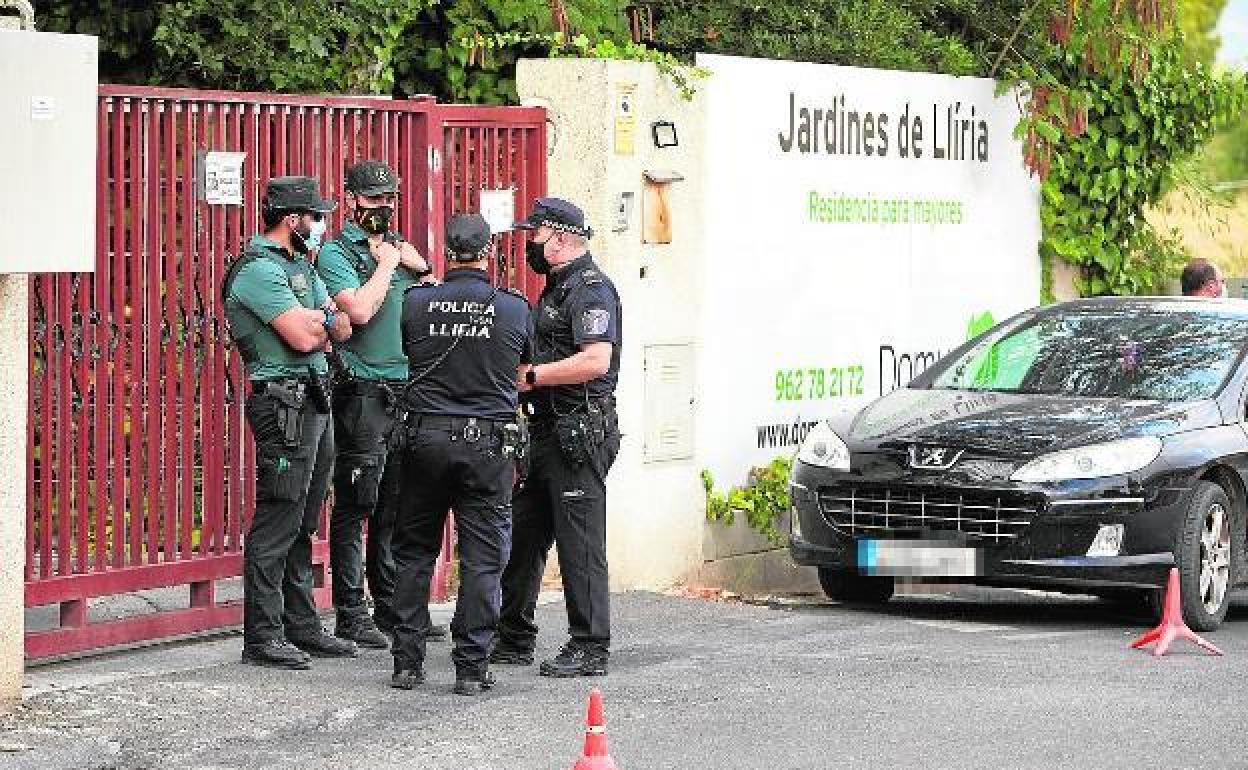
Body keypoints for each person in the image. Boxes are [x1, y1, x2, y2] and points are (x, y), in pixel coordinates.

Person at [391, 213, 534, 695]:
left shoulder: (416, 302)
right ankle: (471, 668)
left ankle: (406, 663)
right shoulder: (514, 308)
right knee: (482, 559)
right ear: (488, 253)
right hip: (488, 445)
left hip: (425, 439)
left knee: (413, 552)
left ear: (446, 252)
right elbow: (522, 367)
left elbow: (407, 349)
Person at [222, 175, 358, 669]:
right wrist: (318, 322)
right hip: (283, 402)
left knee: (304, 517)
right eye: (315, 217)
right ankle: (263, 633)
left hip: (314, 399)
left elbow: (342, 325)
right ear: (291, 219)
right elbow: (302, 338)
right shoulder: (258, 270)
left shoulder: (299, 265)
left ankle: (302, 625)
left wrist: (317, 322)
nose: (321, 225)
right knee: (279, 514)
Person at [315, 160, 446, 649]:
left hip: (404, 390)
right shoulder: (337, 253)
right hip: (362, 391)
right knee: (355, 506)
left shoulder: (401, 253)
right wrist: (390, 265)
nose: (382, 209)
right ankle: (352, 613)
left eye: (388, 200)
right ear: (350, 199)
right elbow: (361, 311)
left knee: (396, 505)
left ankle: (392, 608)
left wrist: (424, 273)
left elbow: (419, 309)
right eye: (372, 200)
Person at [494, 197, 623, 678]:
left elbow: (595, 360)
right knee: (525, 536)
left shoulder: (590, 290)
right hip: (546, 432)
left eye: (536, 236)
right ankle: (513, 637)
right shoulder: (556, 290)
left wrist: (532, 378)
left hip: (578, 432)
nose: (530, 244)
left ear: (561, 238)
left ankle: (590, 644)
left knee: (579, 544)